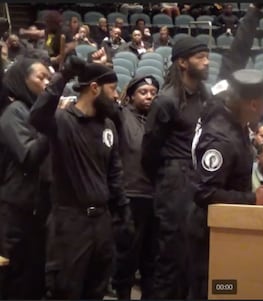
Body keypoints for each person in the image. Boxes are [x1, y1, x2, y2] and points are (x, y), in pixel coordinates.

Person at [30, 57, 134, 299]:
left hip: (101, 223)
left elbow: (114, 173)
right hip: (70, 223)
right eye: (112, 89)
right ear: (94, 88)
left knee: (96, 290)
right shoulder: (61, 121)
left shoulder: (107, 125)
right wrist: (63, 76)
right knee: (66, 290)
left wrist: (124, 213)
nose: (116, 95)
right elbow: (36, 116)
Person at [190, 69, 263, 299]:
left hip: (228, 229)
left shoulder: (236, 120)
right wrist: (254, 199)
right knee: (218, 288)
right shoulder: (222, 138)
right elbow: (204, 192)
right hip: (211, 237)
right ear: (253, 104)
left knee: (230, 288)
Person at [141, 36, 210, 299]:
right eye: (200, 57)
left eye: (207, 56)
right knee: (171, 259)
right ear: (182, 62)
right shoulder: (166, 101)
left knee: (194, 260)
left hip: (198, 182)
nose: (206, 62)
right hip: (174, 183)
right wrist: (168, 178)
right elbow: (149, 152)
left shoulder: (205, 96)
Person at [0, 57, 51, 299]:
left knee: (35, 277)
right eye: (40, 77)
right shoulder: (14, 112)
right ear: (23, 80)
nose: (46, 82)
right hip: (16, 209)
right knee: (14, 277)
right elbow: (29, 155)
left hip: (40, 208)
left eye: (48, 77)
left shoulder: (35, 111)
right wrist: (50, 126)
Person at [111, 75, 160, 299]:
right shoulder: (121, 116)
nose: (149, 96)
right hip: (130, 195)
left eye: (153, 92)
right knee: (127, 258)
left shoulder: (157, 121)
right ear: (131, 95)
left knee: (151, 258)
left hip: (155, 197)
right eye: (143, 92)